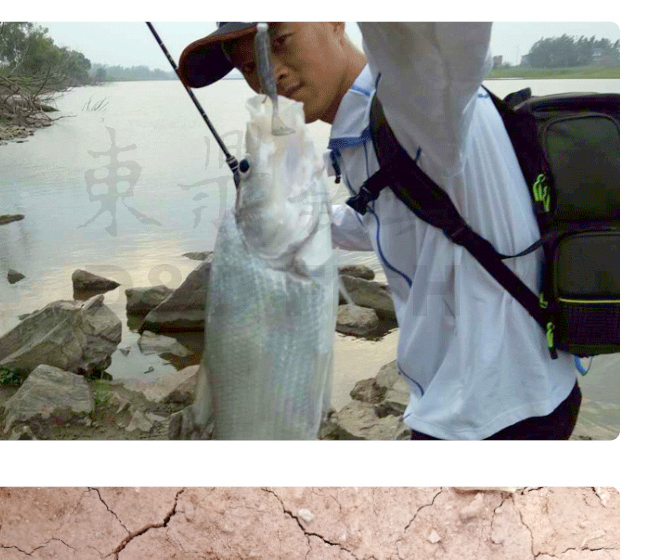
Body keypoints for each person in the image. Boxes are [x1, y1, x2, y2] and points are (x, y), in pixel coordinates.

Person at [178, 22, 582, 440]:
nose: (270, 74)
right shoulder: (369, 128)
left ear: (335, 21)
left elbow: (440, 33)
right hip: (470, 400)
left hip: (499, 413)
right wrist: (280, 215)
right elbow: (393, 220)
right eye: (249, 67)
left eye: (281, 42)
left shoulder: (414, 98)